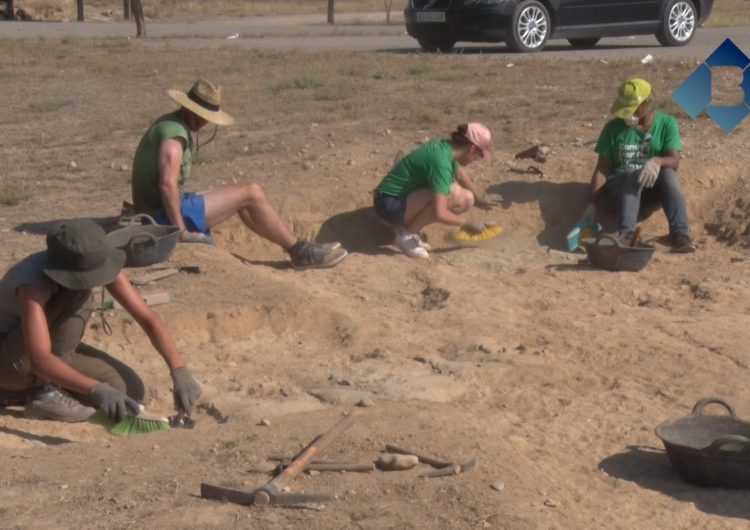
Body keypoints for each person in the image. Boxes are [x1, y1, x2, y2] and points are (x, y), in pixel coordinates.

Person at [131, 78, 347, 270]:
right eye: (197, 114)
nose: (201, 121)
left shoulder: (170, 123)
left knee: (242, 196)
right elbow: (167, 185)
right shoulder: (175, 135)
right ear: (186, 106)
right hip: (160, 218)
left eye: (205, 116)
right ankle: (300, 252)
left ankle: (294, 248)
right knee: (250, 192)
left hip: (158, 211)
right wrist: (180, 233)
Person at [0, 219, 201, 423]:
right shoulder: (32, 283)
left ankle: (22, 392)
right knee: (80, 296)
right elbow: (39, 358)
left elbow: (148, 318)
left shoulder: (98, 260)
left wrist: (179, 370)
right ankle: (42, 394)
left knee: (129, 393)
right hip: (9, 359)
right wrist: (95, 388)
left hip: (44, 351)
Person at [581, 78, 696, 253]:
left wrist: (657, 161)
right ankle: (627, 234)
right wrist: (593, 203)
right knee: (630, 174)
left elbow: (674, 160)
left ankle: (680, 234)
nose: (628, 115)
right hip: (619, 192)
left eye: (634, 109)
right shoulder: (612, 129)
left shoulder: (666, 124)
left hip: (648, 195)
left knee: (668, 174)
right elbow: (602, 169)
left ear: (647, 104)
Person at [372, 123, 496, 259]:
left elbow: (460, 174)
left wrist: (479, 196)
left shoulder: (444, 147)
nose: (475, 160)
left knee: (466, 197)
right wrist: (468, 224)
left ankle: (408, 228)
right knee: (450, 193)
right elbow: (440, 212)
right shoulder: (441, 164)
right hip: (388, 207)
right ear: (472, 149)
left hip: (392, 199)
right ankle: (406, 236)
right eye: (478, 156)